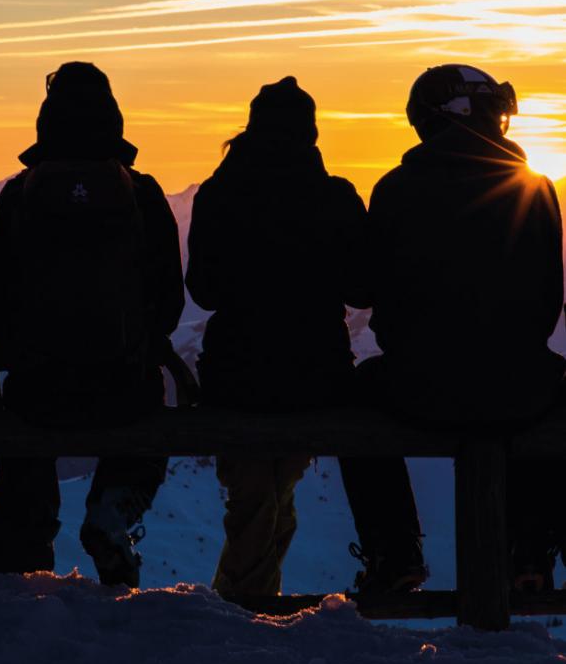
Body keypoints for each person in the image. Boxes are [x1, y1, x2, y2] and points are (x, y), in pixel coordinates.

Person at [342, 63, 565, 593]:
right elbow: (546, 300)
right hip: (519, 386)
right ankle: (528, 551)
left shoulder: (396, 188)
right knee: (554, 386)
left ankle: (394, 552)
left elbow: (364, 291)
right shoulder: (535, 189)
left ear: (427, 122)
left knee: (355, 393)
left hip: (417, 388)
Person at [0, 62, 184, 586]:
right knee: (149, 415)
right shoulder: (140, 193)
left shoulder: (19, 193)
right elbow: (169, 301)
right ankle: (114, 505)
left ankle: (23, 553)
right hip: (124, 388)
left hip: (37, 391)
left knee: (23, 435)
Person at [186, 76, 368, 597]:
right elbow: (361, 289)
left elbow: (204, 292)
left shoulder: (219, 193)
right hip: (318, 377)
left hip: (236, 376)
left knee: (256, 497)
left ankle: (242, 606)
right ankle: (247, 605)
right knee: (272, 495)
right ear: (311, 135)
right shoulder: (335, 196)